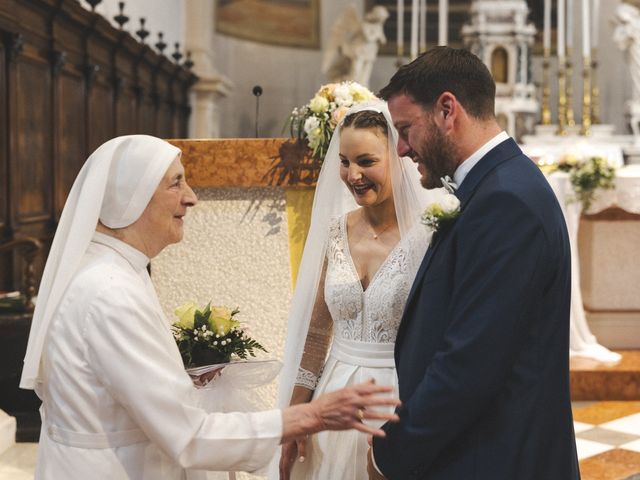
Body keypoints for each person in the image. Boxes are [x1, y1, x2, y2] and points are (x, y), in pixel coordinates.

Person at [19, 134, 401, 479]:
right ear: (132, 196)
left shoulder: (112, 270)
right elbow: (188, 435)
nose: (191, 196)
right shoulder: (110, 292)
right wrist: (308, 416)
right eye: (176, 183)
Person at [368, 47, 580, 479]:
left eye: (406, 129)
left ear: (448, 110)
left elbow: (468, 365)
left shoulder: (505, 201)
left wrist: (391, 451)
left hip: (497, 459)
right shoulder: (496, 186)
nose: (402, 149)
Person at [277, 101, 438, 480]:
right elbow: (317, 334)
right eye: (345, 162)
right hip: (334, 395)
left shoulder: (430, 236)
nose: (353, 175)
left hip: (400, 397)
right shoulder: (336, 231)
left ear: (398, 157)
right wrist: (295, 417)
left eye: (366, 161)